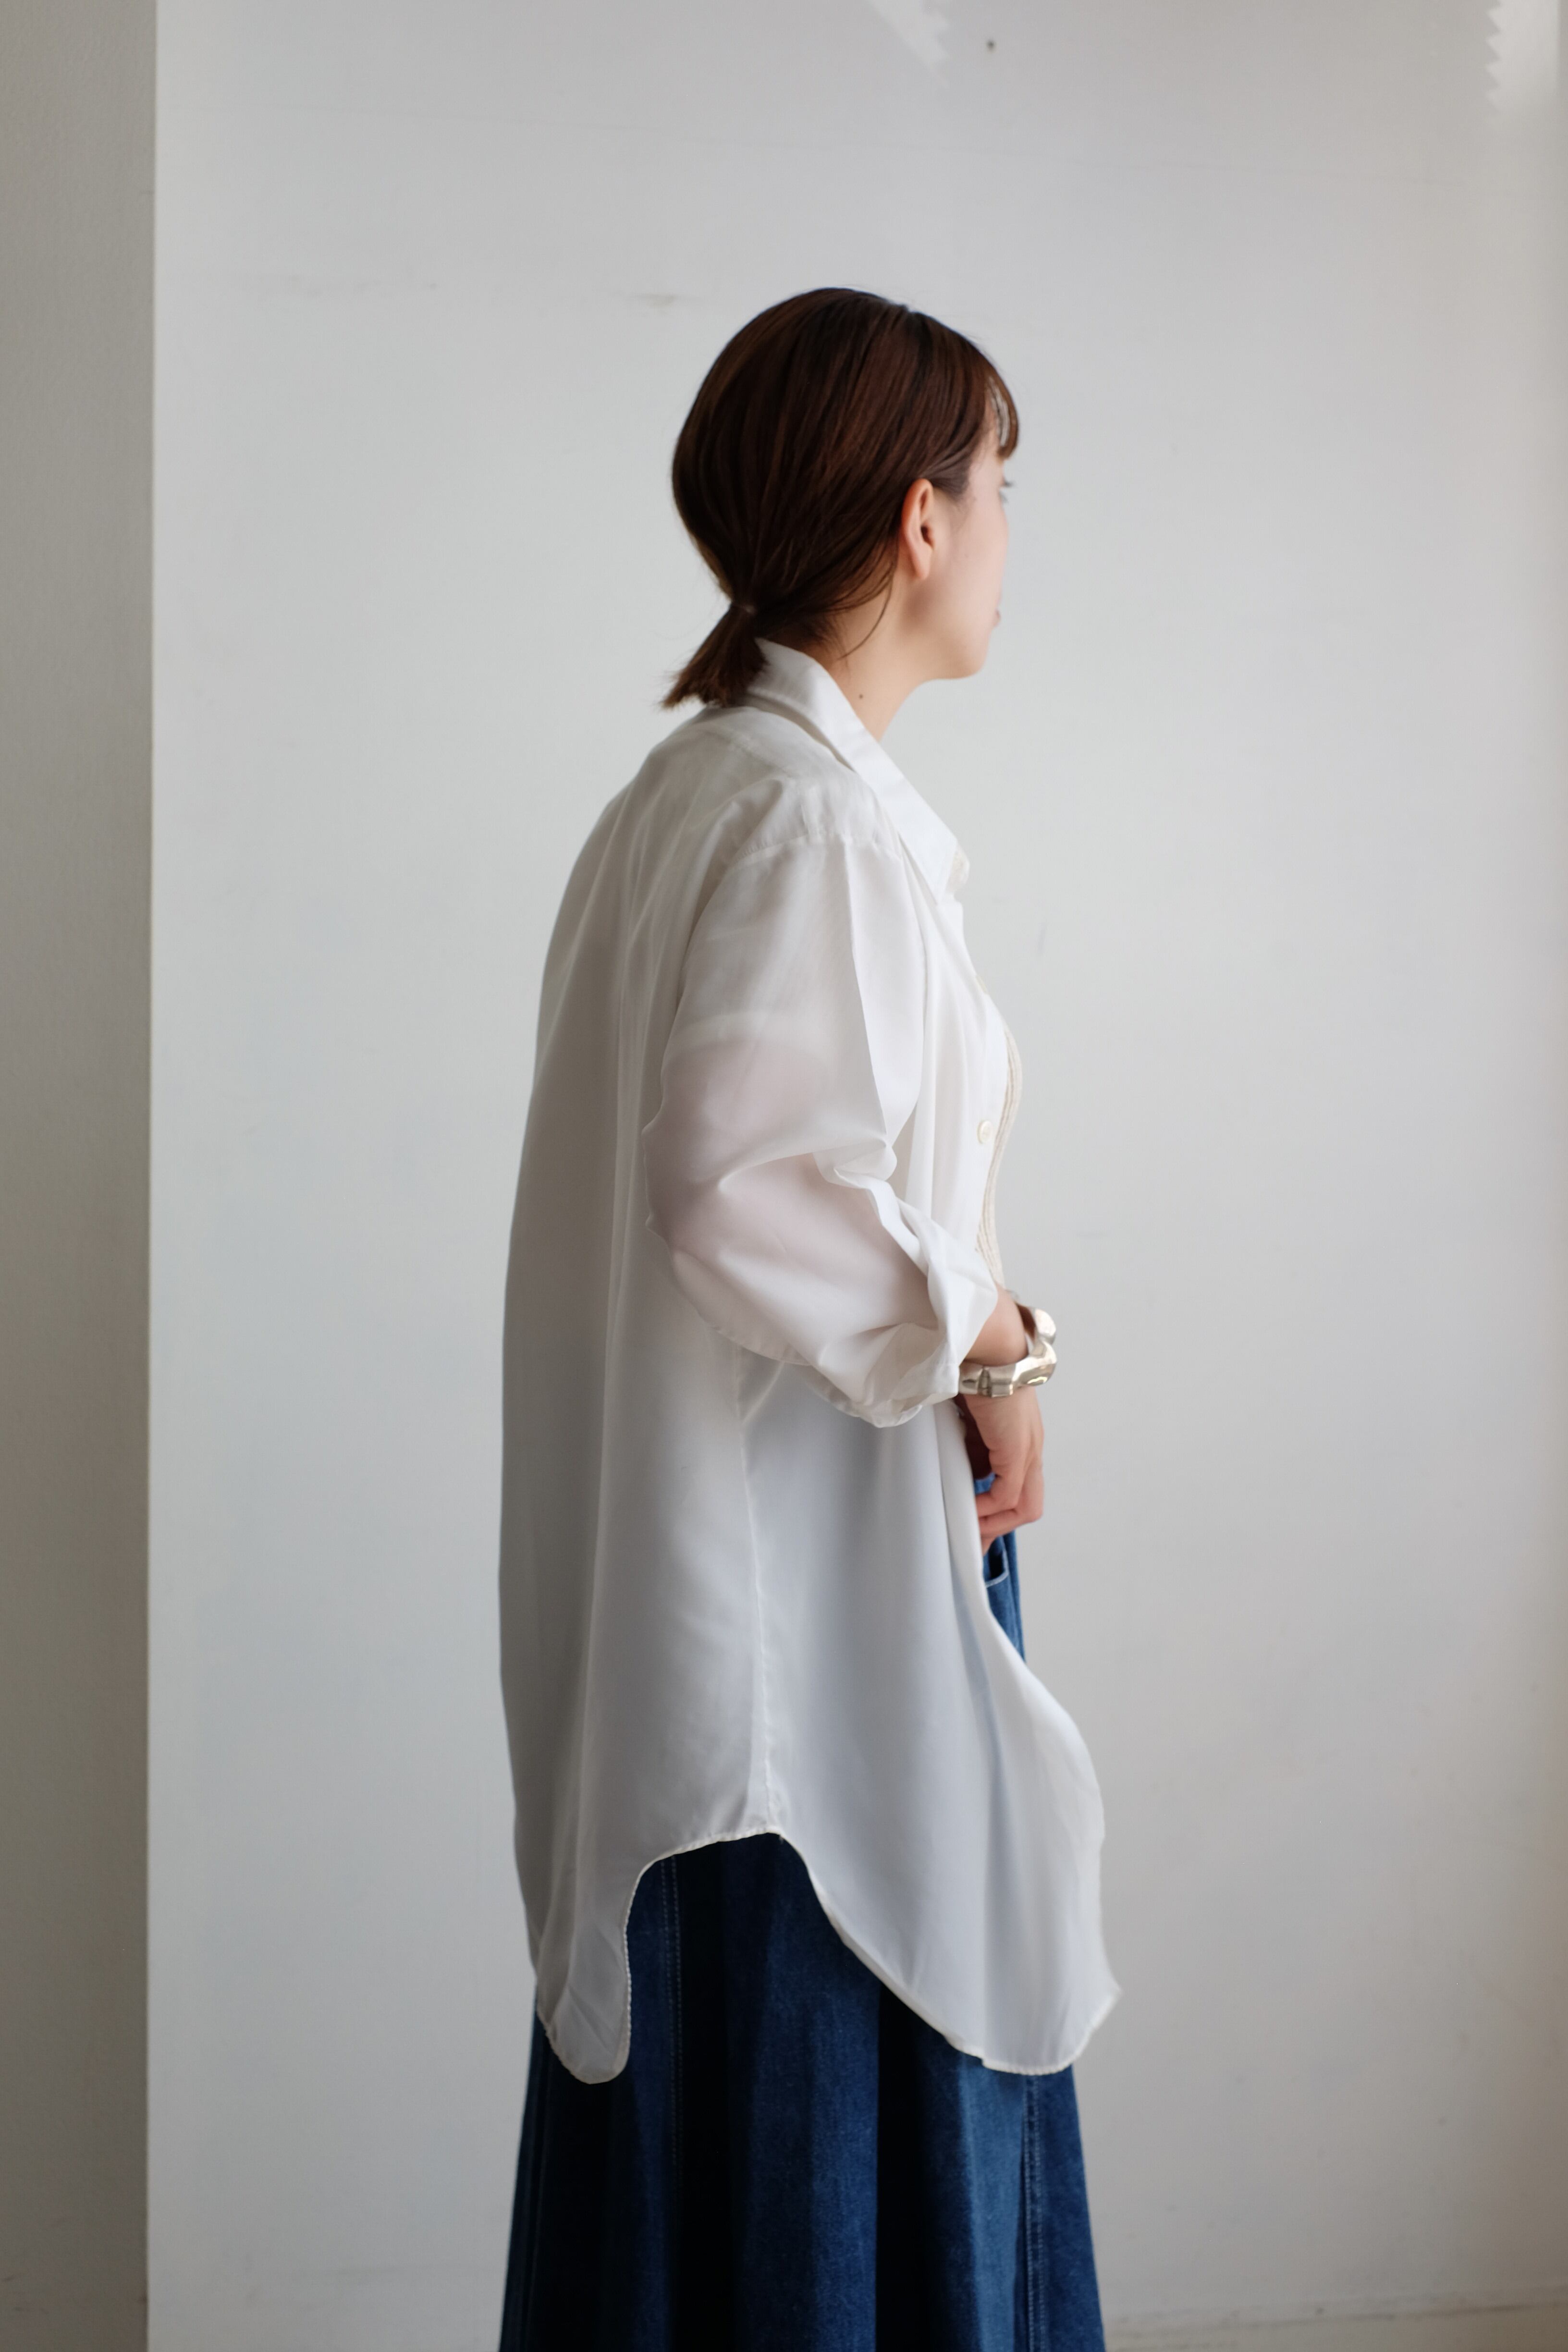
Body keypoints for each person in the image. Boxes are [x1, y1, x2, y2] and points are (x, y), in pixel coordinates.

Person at [496, 288, 1117, 2351]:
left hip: (724, 1638)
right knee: (830, 2190)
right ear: (921, 521)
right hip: (795, 1671)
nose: (1012, 534)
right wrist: (989, 1332)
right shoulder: (807, 820)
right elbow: (736, 1184)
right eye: (1001, 485)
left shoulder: (687, 800)